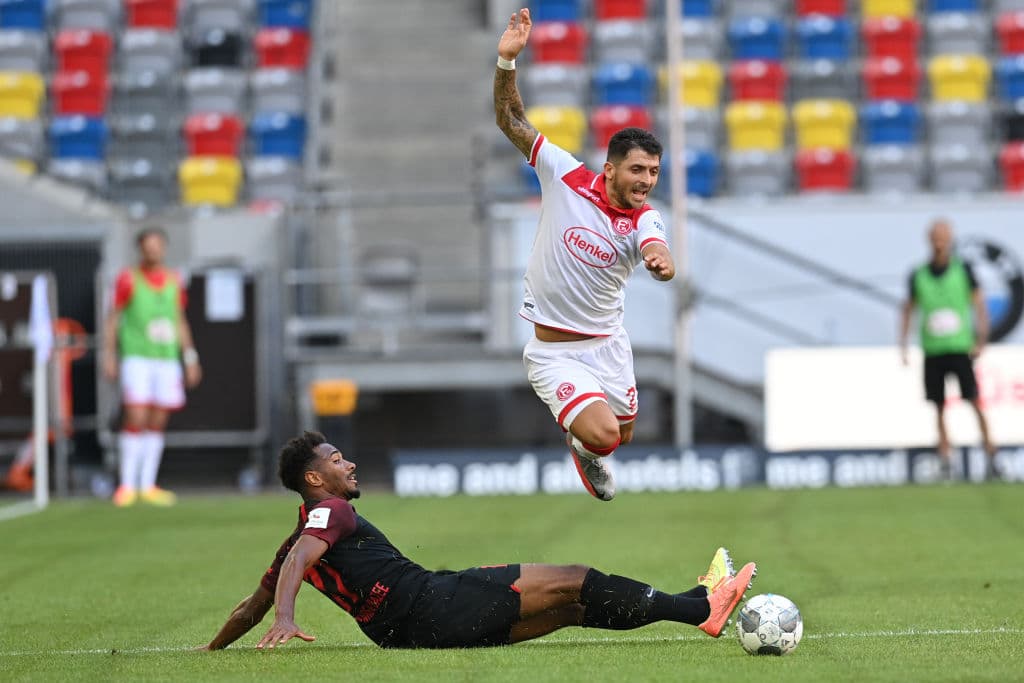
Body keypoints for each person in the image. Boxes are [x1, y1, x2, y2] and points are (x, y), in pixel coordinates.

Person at [201, 431, 756, 651]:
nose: (348, 463)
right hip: (430, 602)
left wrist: (214, 648)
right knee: (575, 578)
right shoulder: (330, 513)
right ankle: (703, 607)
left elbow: (251, 604)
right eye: (336, 459)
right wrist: (284, 617)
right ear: (315, 480)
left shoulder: (302, 533)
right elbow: (297, 562)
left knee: (572, 610)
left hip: (406, 632)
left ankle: (692, 604)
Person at [493, 9, 676, 501]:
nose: (646, 181)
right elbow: (510, 119)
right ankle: (584, 440)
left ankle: (586, 443)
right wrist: (506, 62)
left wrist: (661, 263)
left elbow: (658, 248)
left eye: (654, 172)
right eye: (638, 170)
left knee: (624, 434)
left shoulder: (644, 218)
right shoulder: (565, 175)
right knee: (606, 437)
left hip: (609, 344)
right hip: (555, 352)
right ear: (610, 169)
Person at [102, 227, 202, 506]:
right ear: (140, 249)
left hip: (166, 358)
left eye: (157, 245)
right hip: (137, 355)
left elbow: (180, 319)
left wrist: (190, 356)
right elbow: (113, 318)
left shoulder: (173, 281)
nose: (153, 250)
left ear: (164, 248)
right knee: (135, 415)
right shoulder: (128, 279)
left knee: (158, 418)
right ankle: (126, 484)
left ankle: (147, 483)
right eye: (148, 245)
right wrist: (109, 354)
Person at [899, 219, 1001, 481]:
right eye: (935, 236)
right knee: (938, 407)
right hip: (933, 350)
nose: (939, 241)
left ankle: (992, 457)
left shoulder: (963, 270)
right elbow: (909, 309)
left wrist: (981, 339)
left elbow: (979, 306)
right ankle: (946, 460)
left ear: (950, 239)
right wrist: (903, 344)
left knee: (974, 401)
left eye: (943, 236)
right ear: (929, 239)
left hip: (959, 347)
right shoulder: (918, 274)